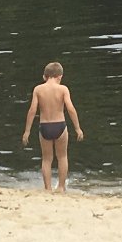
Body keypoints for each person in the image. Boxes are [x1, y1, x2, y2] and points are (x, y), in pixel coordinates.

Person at [22, 62, 83, 192]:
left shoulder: (38, 89)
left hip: (44, 126)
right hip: (60, 125)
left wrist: (27, 131)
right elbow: (70, 108)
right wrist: (77, 128)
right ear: (60, 76)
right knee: (62, 157)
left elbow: (32, 110)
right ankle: (61, 187)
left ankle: (48, 188)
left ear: (45, 76)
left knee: (46, 159)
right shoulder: (63, 89)